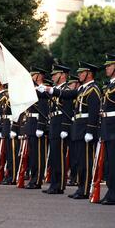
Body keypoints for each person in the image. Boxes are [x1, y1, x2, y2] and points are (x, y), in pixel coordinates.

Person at [39, 62, 101, 199]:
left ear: (89, 73)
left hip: (85, 128)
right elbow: (66, 94)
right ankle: (81, 188)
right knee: (79, 160)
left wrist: (91, 130)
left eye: (81, 72)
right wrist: (49, 90)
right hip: (78, 127)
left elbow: (94, 111)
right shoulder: (82, 89)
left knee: (85, 161)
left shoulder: (93, 89)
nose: (78, 74)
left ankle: (85, 189)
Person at [100, 54, 115, 205]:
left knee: (113, 162)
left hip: (113, 126)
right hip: (107, 125)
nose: (106, 68)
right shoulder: (110, 84)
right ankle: (111, 192)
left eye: (109, 66)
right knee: (109, 163)